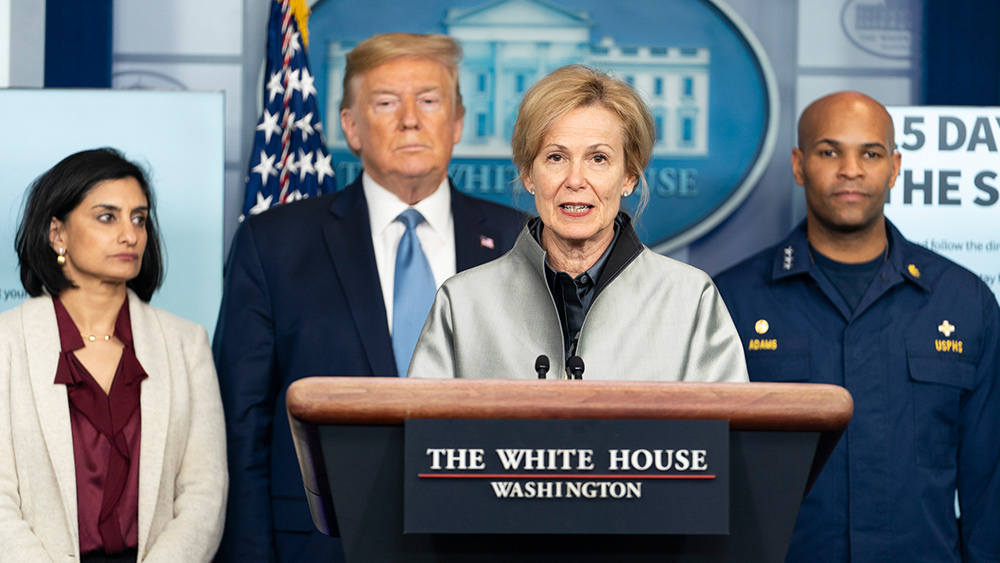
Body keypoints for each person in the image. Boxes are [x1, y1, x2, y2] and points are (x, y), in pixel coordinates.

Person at [213, 33, 525, 562]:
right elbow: (242, 426)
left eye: (429, 101)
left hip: (483, 541)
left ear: (457, 123)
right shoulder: (274, 244)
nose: (410, 120)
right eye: (385, 103)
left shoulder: (522, 241)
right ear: (351, 127)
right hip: (323, 547)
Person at [714, 91, 1000, 562]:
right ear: (799, 165)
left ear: (895, 167)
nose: (851, 169)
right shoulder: (732, 301)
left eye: (870, 153)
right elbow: (709, 478)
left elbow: (988, 488)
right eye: (830, 152)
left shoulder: (965, 302)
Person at [408, 65, 748, 383]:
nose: (575, 180)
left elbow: (722, 425)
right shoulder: (462, 303)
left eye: (598, 158)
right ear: (528, 174)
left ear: (629, 176)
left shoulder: (690, 300)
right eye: (556, 157)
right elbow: (423, 424)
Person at [0, 148, 227, 563]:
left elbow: (204, 493)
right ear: (57, 234)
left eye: (138, 218)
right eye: (107, 217)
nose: (130, 235)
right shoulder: (7, 343)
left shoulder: (186, 344)